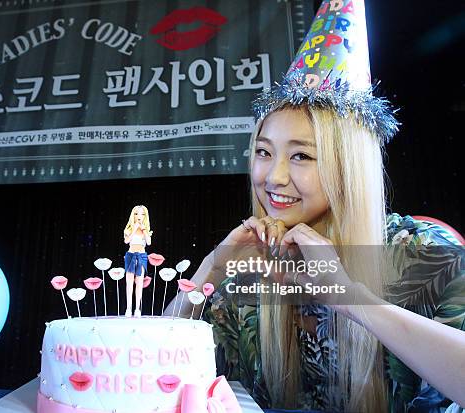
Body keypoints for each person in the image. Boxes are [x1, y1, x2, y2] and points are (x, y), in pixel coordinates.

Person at [165, 0, 464, 411]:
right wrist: (210, 270)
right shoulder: (250, 277)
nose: (274, 177)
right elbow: (151, 370)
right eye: (264, 153)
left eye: (302, 156)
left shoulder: (424, 252)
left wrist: (349, 297)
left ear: (349, 168)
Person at [123, 205, 152, 317]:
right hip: (130, 255)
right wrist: (134, 228)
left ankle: (137, 309)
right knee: (129, 283)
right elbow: (126, 241)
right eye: (136, 214)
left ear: (144, 216)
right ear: (133, 216)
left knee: (139, 283)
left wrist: (144, 229)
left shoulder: (146, 229)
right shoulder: (128, 229)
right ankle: (128, 308)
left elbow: (149, 242)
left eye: (141, 214)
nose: (139, 216)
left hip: (141, 255)